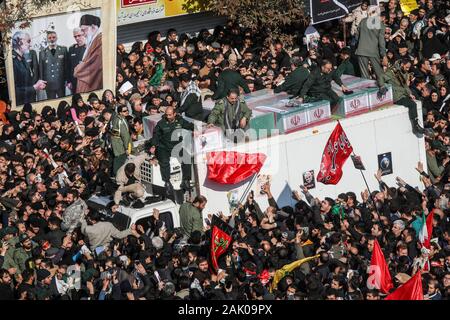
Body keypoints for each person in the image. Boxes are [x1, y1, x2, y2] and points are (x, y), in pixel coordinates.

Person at [149, 106, 194, 194]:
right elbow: (156, 135)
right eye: (167, 115)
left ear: (174, 114)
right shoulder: (161, 123)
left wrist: (197, 129)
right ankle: (167, 182)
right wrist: (153, 145)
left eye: (170, 115)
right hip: (164, 147)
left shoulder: (180, 121)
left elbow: (189, 125)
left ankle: (186, 180)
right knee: (164, 161)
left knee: (186, 157)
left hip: (176, 146)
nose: (168, 117)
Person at [383, 58, 425, 135]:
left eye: (409, 67)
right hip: (396, 95)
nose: (407, 69)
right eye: (407, 67)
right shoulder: (392, 71)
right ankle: (415, 126)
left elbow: (405, 85)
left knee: (416, 99)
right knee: (412, 104)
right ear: (402, 65)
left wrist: (410, 94)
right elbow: (385, 81)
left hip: (403, 93)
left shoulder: (404, 73)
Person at [355, 5, 388, 97]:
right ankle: (382, 87)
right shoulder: (380, 24)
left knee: (364, 73)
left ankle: (366, 93)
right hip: (373, 51)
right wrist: (384, 55)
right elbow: (382, 43)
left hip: (361, 50)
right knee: (378, 70)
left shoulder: (362, 21)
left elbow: (357, 37)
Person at [11, 31, 47, 105]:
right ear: (20, 42)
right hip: (21, 104)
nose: (30, 45)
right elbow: (14, 91)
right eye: (28, 41)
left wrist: (37, 85)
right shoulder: (12, 61)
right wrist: (34, 87)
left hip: (29, 100)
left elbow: (26, 81)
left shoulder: (22, 58)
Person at [74, 14, 103, 93]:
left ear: (93, 27)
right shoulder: (93, 40)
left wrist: (78, 69)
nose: (83, 33)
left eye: (84, 30)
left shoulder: (100, 40)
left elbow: (94, 65)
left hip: (92, 85)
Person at [39, 31, 68, 99]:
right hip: (49, 83)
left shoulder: (63, 50)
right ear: (47, 39)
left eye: (54, 37)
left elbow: (66, 66)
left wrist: (67, 80)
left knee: (63, 100)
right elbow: (41, 68)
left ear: (57, 38)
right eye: (49, 38)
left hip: (60, 82)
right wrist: (42, 82)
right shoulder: (42, 52)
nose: (52, 39)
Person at [111, 105, 132, 175]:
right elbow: (125, 135)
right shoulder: (121, 121)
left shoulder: (117, 118)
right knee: (120, 162)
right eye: (124, 111)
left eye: (127, 110)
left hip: (117, 144)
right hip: (120, 146)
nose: (126, 112)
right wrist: (126, 148)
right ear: (120, 112)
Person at [67, 28, 87, 94]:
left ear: (84, 34)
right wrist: (69, 81)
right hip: (74, 81)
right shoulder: (71, 49)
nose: (77, 38)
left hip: (86, 80)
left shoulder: (89, 47)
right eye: (75, 36)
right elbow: (69, 66)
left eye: (79, 35)